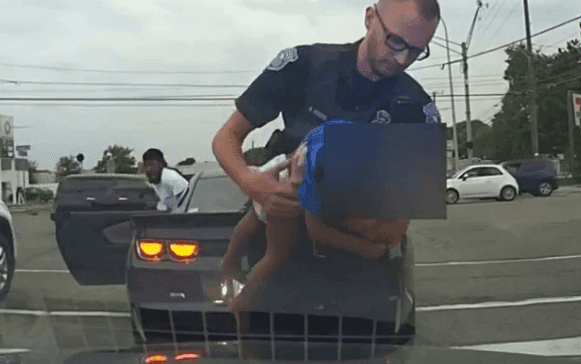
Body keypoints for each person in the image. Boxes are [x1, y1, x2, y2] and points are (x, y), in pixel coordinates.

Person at [212, 0, 441, 311]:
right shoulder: (304, 64)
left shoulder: (418, 112)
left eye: (417, 50)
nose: (402, 58)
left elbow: (395, 229)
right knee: (256, 346)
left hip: (361, 283)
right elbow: (226, 138)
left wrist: (337, 215)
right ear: (370, 18)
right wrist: (251, 183)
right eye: (396, 42)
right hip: (274, 264)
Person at [219, 123, 409, 315]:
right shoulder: (329, 174)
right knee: (276, 255)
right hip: (289, 188)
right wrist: (365, 248)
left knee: (251, 223)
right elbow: (317, 229)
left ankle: (230, 263)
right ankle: (240, 303)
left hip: (290, 167)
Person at [142, 148, 189, 213]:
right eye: (146, 166)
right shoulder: (154, 181)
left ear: (161, 163)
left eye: (151, 165)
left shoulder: (169, 176)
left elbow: (185, 199)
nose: (148, 170)